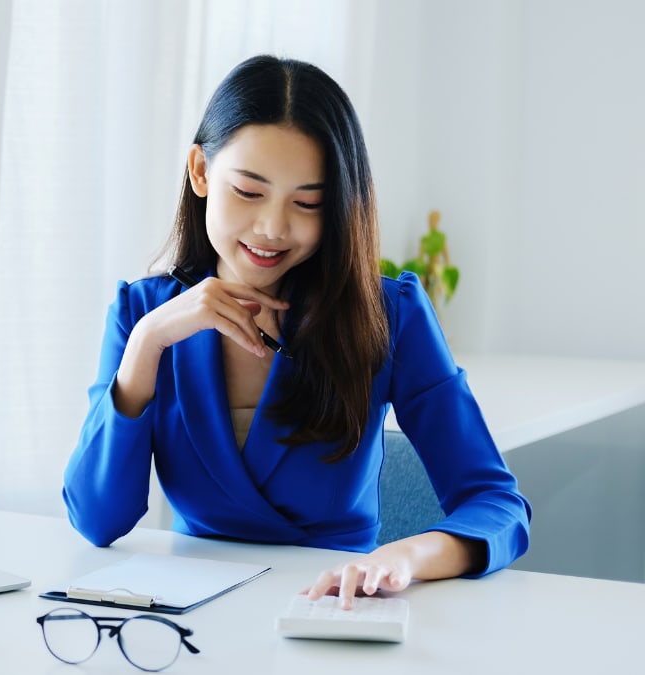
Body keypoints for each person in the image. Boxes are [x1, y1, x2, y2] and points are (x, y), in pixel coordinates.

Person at [62, 55, 531, 607]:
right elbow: (98, 520)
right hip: (192, 620)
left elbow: (498, 505)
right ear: (201, 172)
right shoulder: (143, 315)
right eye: (249, 192)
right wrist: (146, 345)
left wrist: (403, 556)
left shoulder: (390, 313)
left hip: (334, 612)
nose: (273, 229)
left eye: (307, 203)